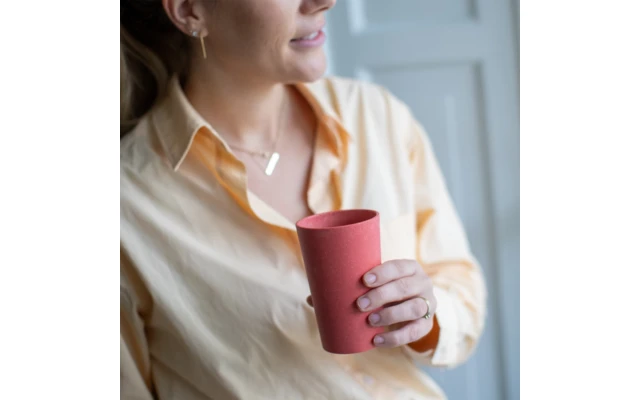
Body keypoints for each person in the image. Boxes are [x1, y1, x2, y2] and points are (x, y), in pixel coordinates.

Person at [120, 0, 487, 398]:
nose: (325, 1)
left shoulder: (375, 115)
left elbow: (460, 285)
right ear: (189, 10)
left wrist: (425, 315)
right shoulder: (126, 203)